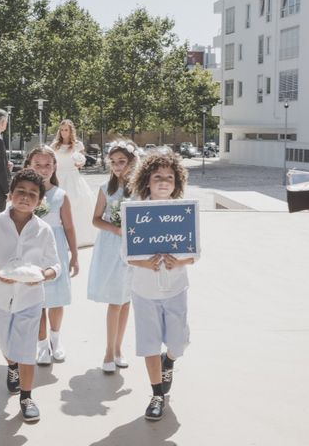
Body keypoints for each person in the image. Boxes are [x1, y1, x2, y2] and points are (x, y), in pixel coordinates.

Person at [0, 168, 61, 423]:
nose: (26, 197)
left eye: (33, 194)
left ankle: (27, 396)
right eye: (20, 192)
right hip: (1, 297)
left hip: (31, 300)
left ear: (40, 201)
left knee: (25, 348)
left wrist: (43, 276)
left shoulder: (43, 230)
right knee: (5, 343)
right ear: (10, 194)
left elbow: (54, 265)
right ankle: (11, 366)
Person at [126, 151, 195, 421]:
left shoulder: (185, 210)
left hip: (176, 288)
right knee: (149, 343)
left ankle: (171, 360)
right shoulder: (135, 210)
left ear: (177, 182)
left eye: (169, 177)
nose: (164, 182)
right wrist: (145, 263)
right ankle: (157, 395)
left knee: (178, 343)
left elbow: (196, 252)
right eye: (158, 177)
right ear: (147, 181)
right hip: (144, 290)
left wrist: (180, 261)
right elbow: (126, 253)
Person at [87, 140, 139, 373]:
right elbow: (96, 219)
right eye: (114, 162)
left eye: (122, 162)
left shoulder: (141, 189)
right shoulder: (104, 188)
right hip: (111, 245)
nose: (118, 166)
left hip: (135, 247)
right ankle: (108, 351)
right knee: (114, 300)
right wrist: (116, 229)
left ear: (132, 162)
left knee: (126, 299)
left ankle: (118, 349)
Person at [25, 146, 79, 365]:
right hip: (32, 251)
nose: (43, 169)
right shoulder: (23, 192)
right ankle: (41, 344)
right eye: (38, 165)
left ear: (54, 166)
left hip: (55, 251)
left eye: (48, 165)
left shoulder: (60, 195)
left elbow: (68, 227)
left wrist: (74, 255)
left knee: (56, 299)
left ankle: (56, 340)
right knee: (37, 300)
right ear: (29, 165)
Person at [50, 119, 96, 247]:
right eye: (62, 130)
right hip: (59, 177)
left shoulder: (77, 145)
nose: (64, 132)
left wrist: (80, 163)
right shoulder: (55, 145)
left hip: (73, 177)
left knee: (77, 203)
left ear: (71, 131)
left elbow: (82, 161)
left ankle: (78, 237)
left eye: (66, 130)